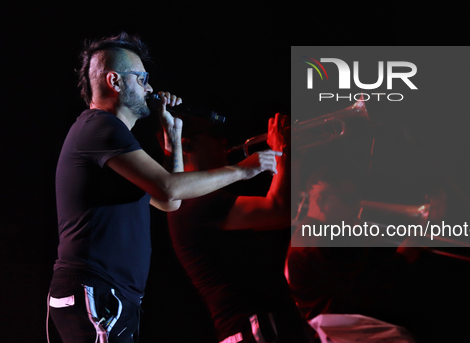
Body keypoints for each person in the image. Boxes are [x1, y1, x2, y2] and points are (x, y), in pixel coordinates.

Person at [48, 32, 280, 343]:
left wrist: (173, 143)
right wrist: (243, 169)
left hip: (109, 293)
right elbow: (170, 189)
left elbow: (167, 202)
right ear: (115, 82)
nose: (150, 88)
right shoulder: (100, 126)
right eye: (142, 78)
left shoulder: (112, 140)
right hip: (95, 287)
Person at [167, 114, 316, 343]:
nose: (223, 141)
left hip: (265, 323)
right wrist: (284, 150)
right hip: (252, 327)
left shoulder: (205, 198)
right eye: (212, 136)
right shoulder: (192, 203)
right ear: (187, 145)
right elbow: (280, 210)